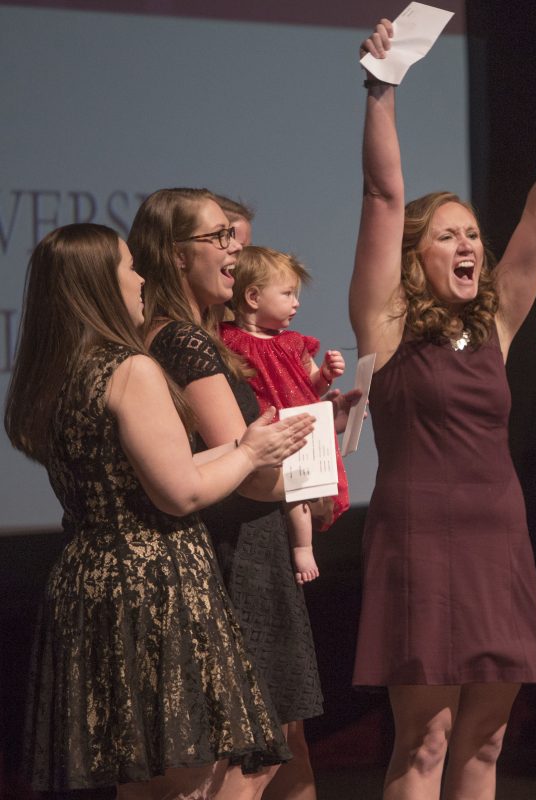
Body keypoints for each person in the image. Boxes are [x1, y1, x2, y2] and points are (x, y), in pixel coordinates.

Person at [351, 19, 536, 800]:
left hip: (498, 539)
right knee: (426, 738)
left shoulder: (496, 323)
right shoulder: (384, 324)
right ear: (416, 254)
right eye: (449, 235)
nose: (469, 246)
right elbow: (385, 194)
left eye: (474, 235)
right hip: (419, 537)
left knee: (486, 741)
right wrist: (381, 89)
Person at [4, 223, 314, 797]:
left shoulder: (55, 372)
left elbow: (153, 468)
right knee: (185, 781)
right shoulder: (128, 368)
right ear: (97, 283)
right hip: (153, 583)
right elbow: (179, 493)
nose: (142, 277)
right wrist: (249, 453)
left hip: (90, 580)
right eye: (128, 266)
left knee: (142, 780)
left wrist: (243, 446)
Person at [131, 188, 337, 800]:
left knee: (254, 748)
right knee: (250, 751)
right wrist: (308, 472)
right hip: (237, 553)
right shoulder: (185, 342)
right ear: (174, 256)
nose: (234, 251)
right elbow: (245, 468)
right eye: (218, 238)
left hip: (241, 547)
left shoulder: (186, 336)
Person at [221, 245, 351, 584]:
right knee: (286, 485)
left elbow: (310, 384)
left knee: (300, 490)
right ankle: (299, 547)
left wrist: (326, 373)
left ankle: (304, 547)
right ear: (252, 296)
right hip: (266, 426)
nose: (296, 303)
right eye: (288, 294)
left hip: (297, 425)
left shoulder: (293, 342)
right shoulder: (229, 340)